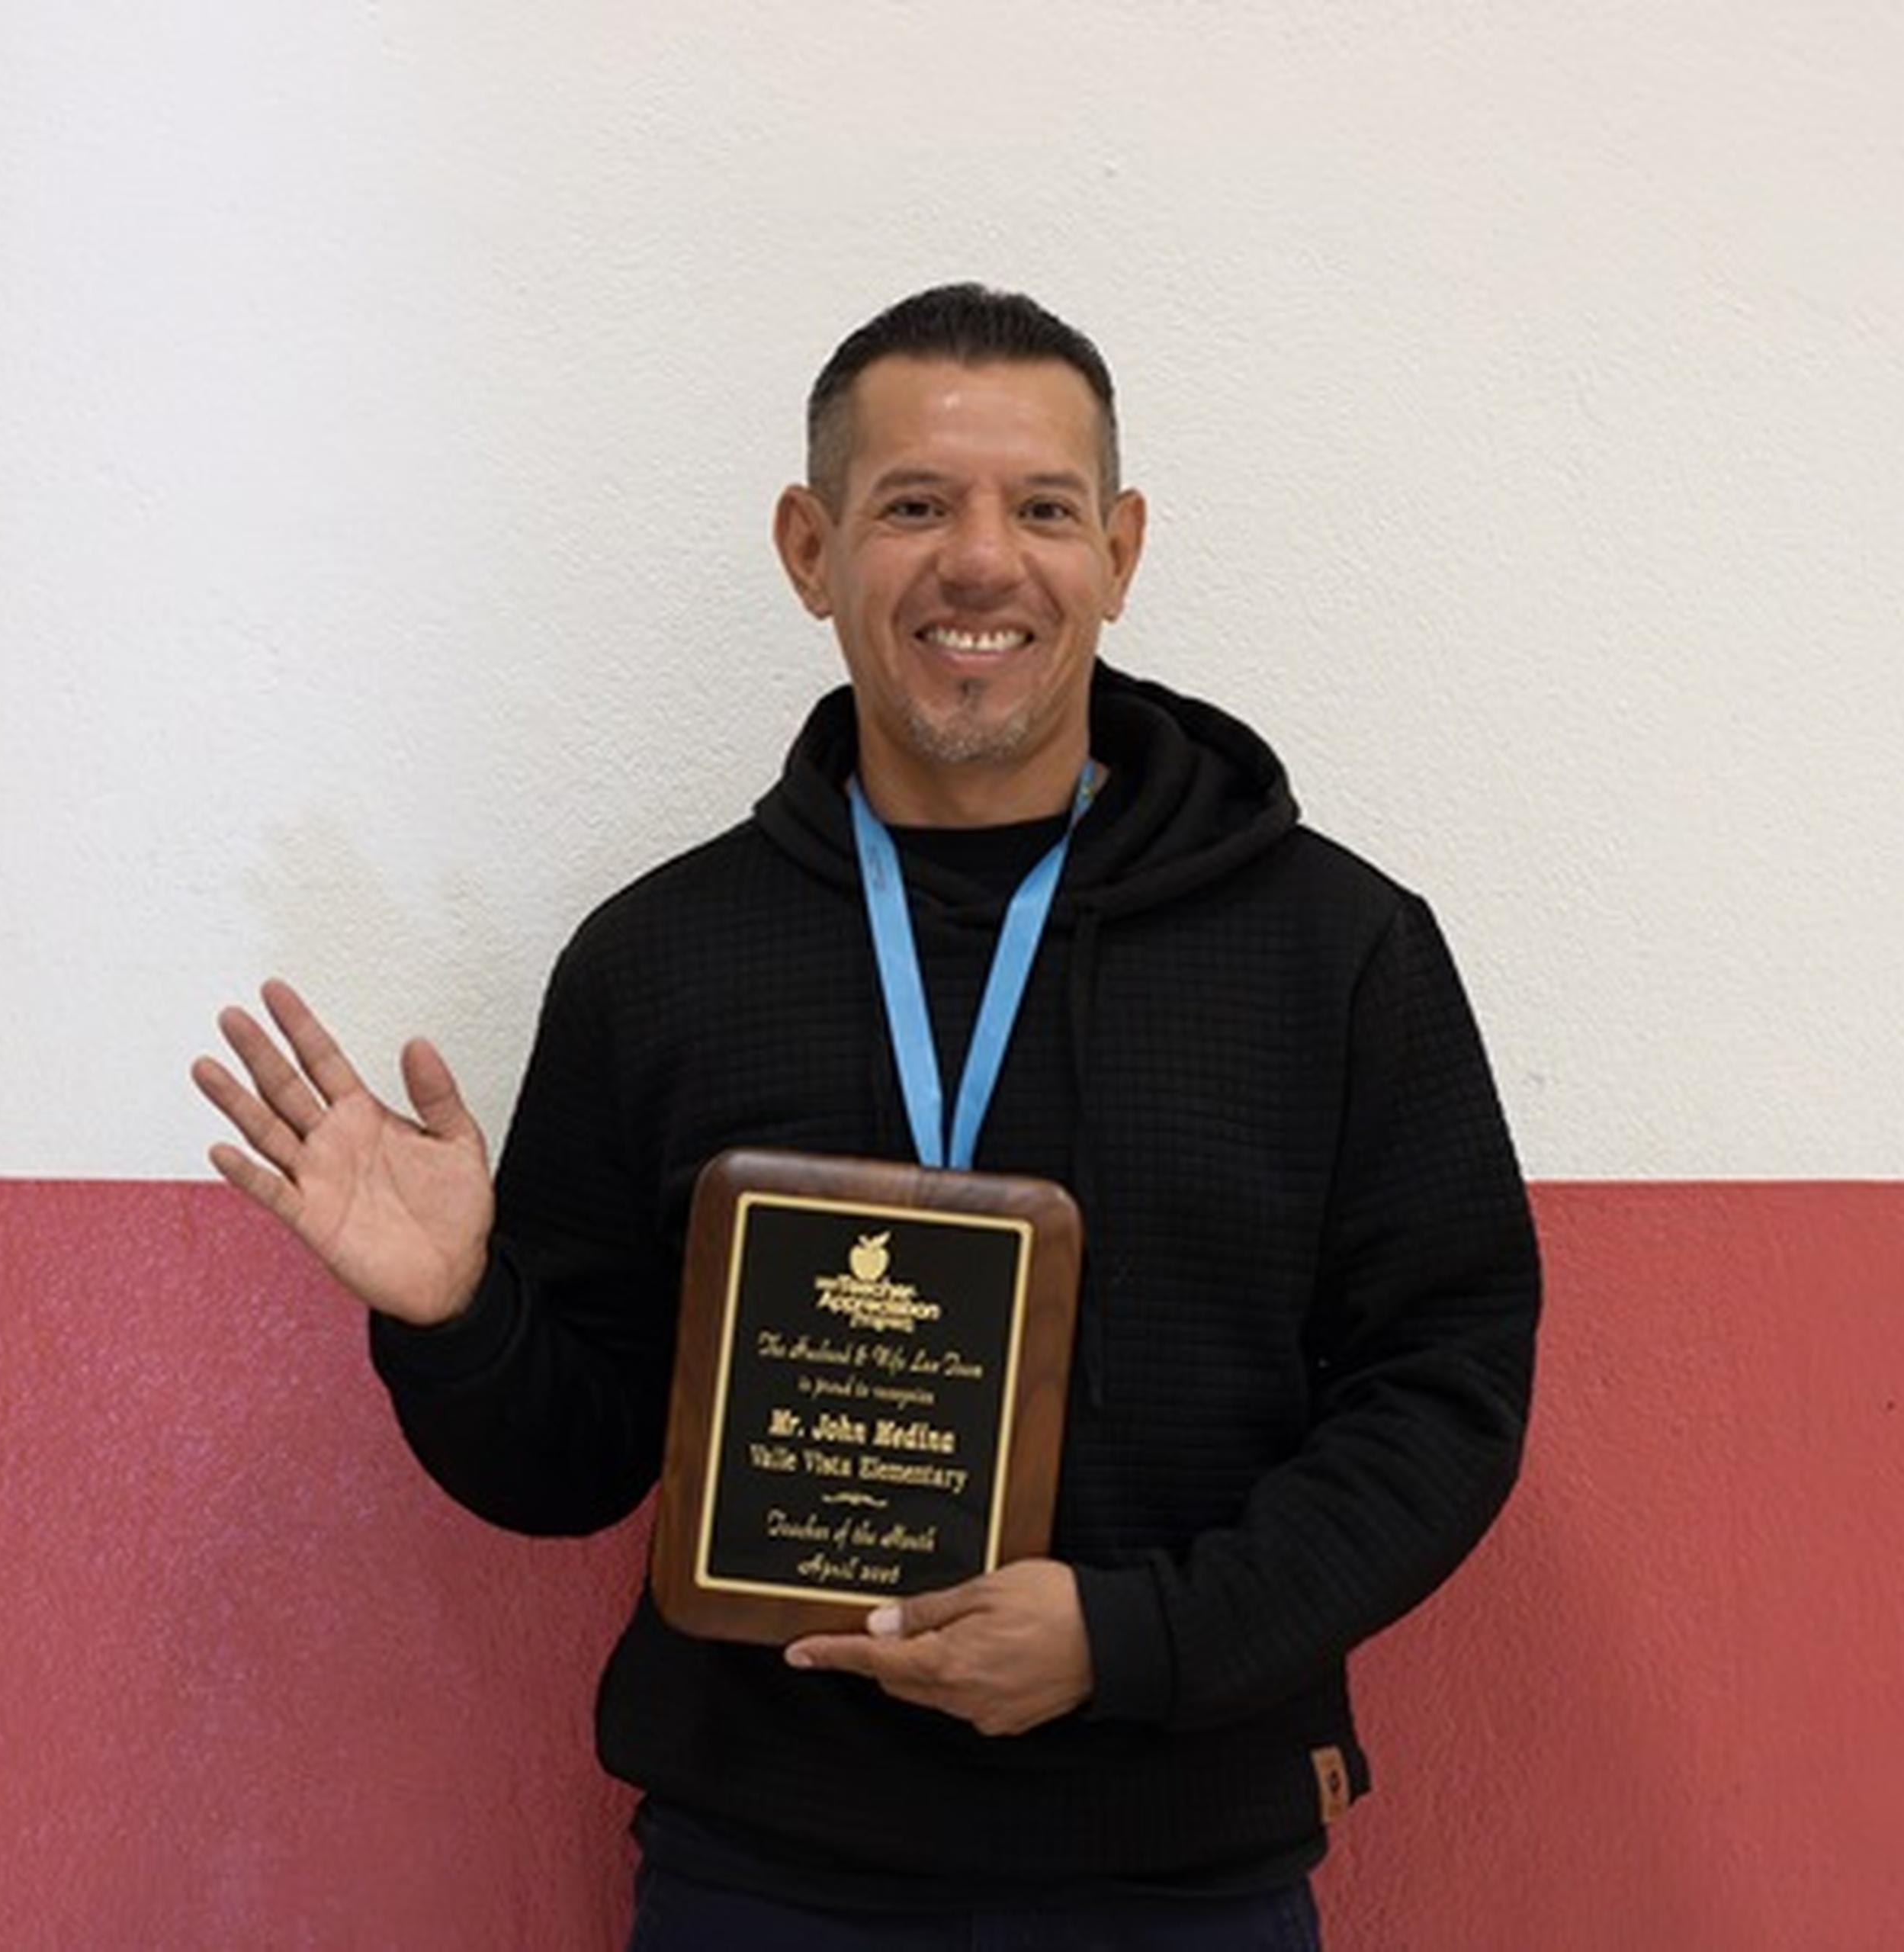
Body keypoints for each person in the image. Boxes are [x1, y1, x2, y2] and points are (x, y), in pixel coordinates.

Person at [195, 284, 1540, 1949]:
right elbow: (572, 1462)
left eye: (1042, 507)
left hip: (1182, 1866)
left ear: (1118, 551)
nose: (982, 560)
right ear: (810, 548)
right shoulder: (660, 958)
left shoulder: (1336, 951)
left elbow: (1446, 1397)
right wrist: (461, 1318)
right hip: (765, 1870)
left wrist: (1138, 1638)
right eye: (913, 504)